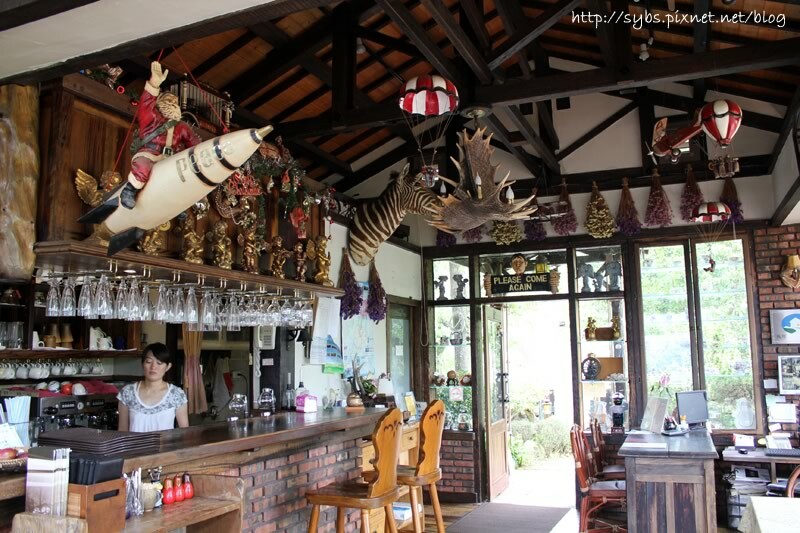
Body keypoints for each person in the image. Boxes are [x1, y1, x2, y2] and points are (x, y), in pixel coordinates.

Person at [121, 61, 201, 209]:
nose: (173, 104)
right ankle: (130, 191)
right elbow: (145, 106)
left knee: (180, 177)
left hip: (170, 160)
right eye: (169, 101)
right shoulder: (153, 119)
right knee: (143, 167)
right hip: (149, 155)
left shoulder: (181, 127)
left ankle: (179, 207)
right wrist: (153, 84)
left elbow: (193, 142)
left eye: (175, 102)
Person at [117, 343, 189, 432]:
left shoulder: (177, 395)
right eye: (148, 362)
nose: (153, 367)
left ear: (168, 367)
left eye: (159, 363)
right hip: (134, 442)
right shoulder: (127, 393)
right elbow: (122, 431)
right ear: (142, 364)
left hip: (165, 442)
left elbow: (185, 433)